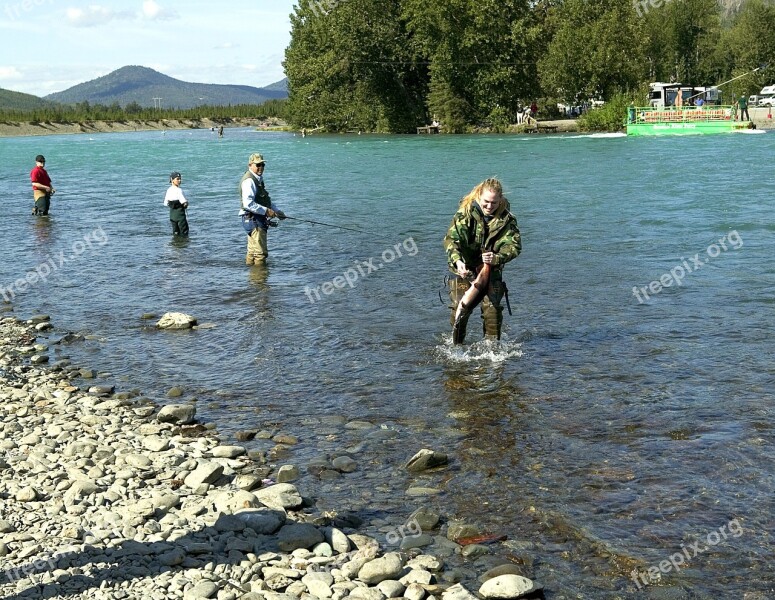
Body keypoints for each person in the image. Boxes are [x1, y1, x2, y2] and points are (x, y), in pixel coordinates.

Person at [443, 178, 521, 344]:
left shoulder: (507, 220)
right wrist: (458, 262)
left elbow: (514, 247)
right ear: (479, 196)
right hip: (465, 268)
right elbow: (451, 240)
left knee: (492, 312)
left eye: (494, 203)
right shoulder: (465, 213)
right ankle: (456, 348)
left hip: (490, 271)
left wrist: (497, 258)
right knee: (460, 309)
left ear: (500, 200)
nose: (489, 206)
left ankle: (493, 352)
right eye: (486, 202)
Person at [239, 153, 286, 265]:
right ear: (250, 165)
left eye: (263, 165)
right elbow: (248, 203)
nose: (261, 167)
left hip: (252, 219)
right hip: (253, 220)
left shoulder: (258, 179)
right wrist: (266, 211)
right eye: (258, 165)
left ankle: (252, 279)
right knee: (260, 254)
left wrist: (277, 211)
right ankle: (260, 281)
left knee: (252, 252)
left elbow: (265, 200)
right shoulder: (249, 181)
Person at [164, 171, 189, 236]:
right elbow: (184, 202)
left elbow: (166, 203)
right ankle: (183, 244)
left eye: (180, 179)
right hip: (180, 216)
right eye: (177, 179)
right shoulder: (179, 190)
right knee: (184, 233)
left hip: (172, 216)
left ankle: (175, 244)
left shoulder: (169, 190)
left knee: (175, 232)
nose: (179, 180)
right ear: (172, 180)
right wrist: (186, 204)